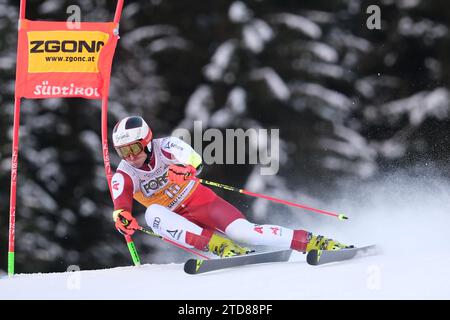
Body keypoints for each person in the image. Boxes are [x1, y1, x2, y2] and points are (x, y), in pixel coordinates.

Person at [110, 116, 349, 258]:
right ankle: (221, 247)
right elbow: (121, 205)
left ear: (147, 142)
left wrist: (186, 170)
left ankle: (315, 242)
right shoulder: (124, 174)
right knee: (152, 214)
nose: (130, 156)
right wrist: (123, 218)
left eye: (134, 148)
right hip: (176, 221)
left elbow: (194, 159)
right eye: (123, 151)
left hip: (202, 203)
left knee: (245, 233)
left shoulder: (166, 146)